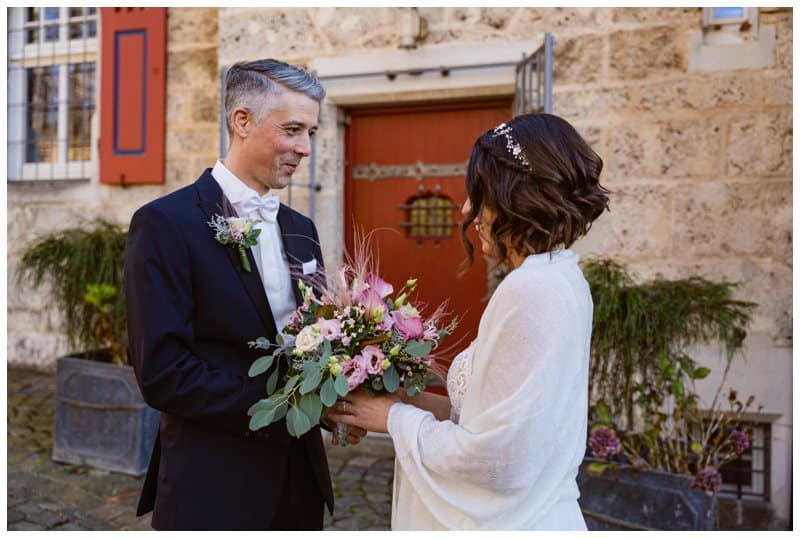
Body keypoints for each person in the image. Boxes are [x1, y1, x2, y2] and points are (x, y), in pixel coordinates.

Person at [327, 113, 610, 530]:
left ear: (515, 199)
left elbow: (499, 461)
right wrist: (401, 399)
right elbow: (492, 417)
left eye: (479, 195)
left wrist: (391, 419)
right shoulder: (562, 276)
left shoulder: (530, 290)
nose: (466, 210)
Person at [124, 58, 364, 531]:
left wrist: (337, 395)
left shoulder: (301, 228)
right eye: (293, 129)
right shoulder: (166, 224)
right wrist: (289, 406)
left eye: (311, 132)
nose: (305, 148)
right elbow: (163, 373)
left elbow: (313, 339)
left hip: (300, 481)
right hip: (214, 480)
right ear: (242, 121)